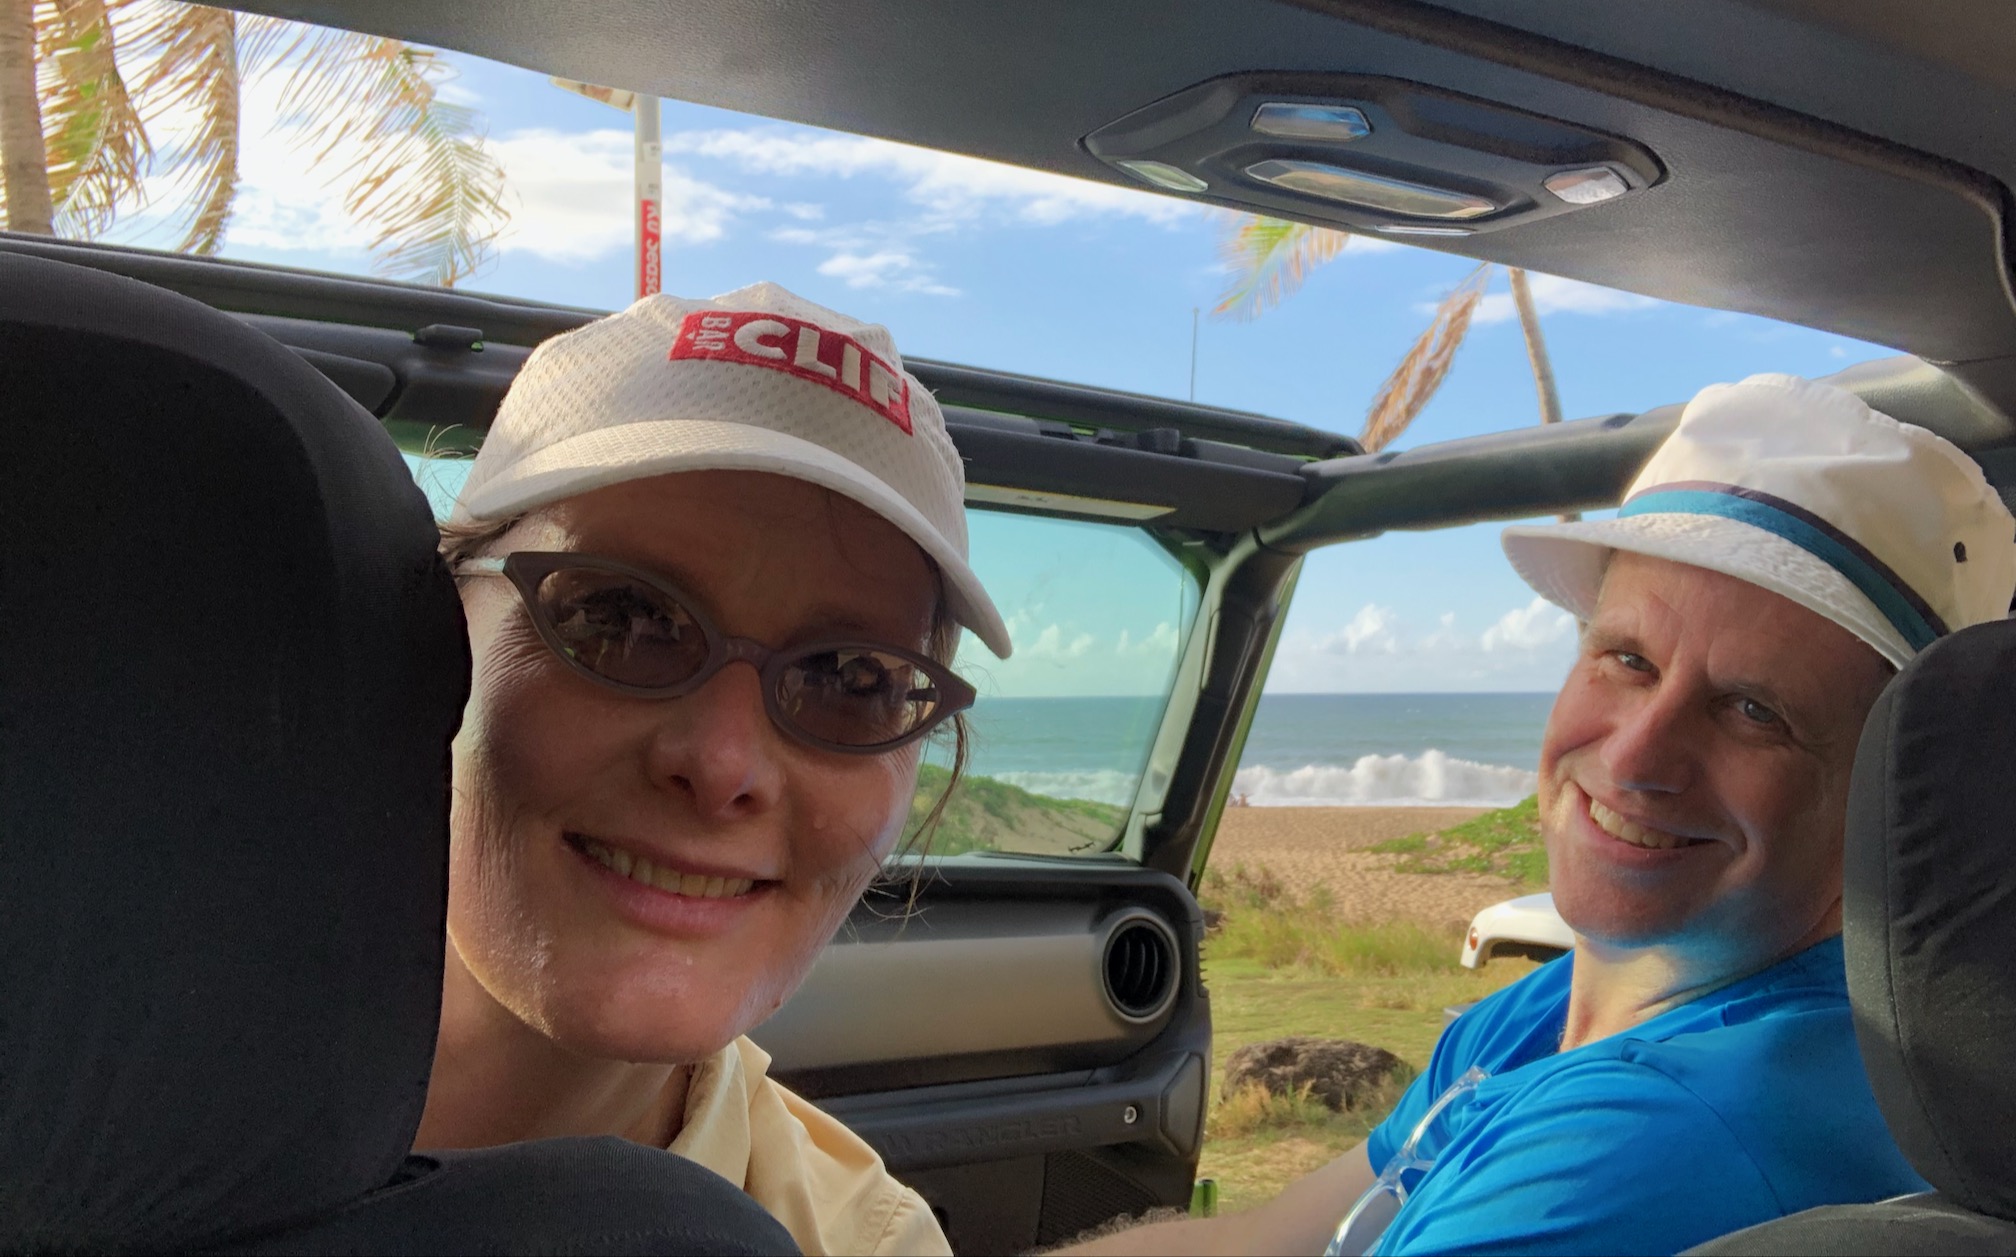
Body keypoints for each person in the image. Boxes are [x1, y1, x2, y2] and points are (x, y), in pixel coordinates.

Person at [1069, 374, 2016, 1256]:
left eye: (1753, 711)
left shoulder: (1669, 1126)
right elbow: (1271, 1237)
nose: (1638, 754)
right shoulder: (1565, 1009)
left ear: (1885, 795)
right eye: (1628, 659)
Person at [412, 282, 1013, 1256]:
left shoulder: (855, 1242)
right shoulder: (103, 1045)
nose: (724, 762)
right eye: (617, 618)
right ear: (433, 632)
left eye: (853, 677)